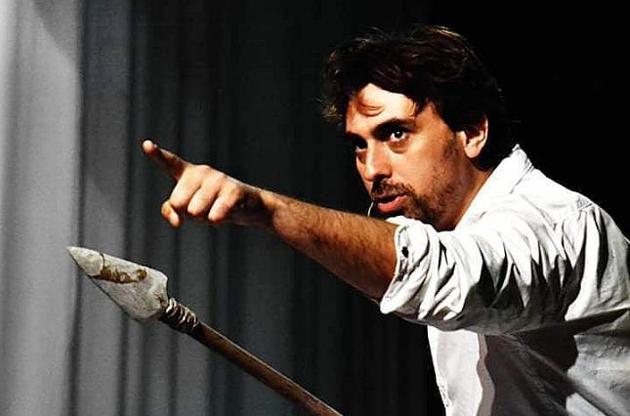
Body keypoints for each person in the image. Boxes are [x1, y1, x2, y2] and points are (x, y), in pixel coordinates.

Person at [142, 25, 630, 415]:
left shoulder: (555, 226)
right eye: (359, 145)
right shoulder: (457, 226)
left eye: (396, 134)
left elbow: (447, 273)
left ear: (472, 132)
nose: (373, 169)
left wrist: (268, 209)